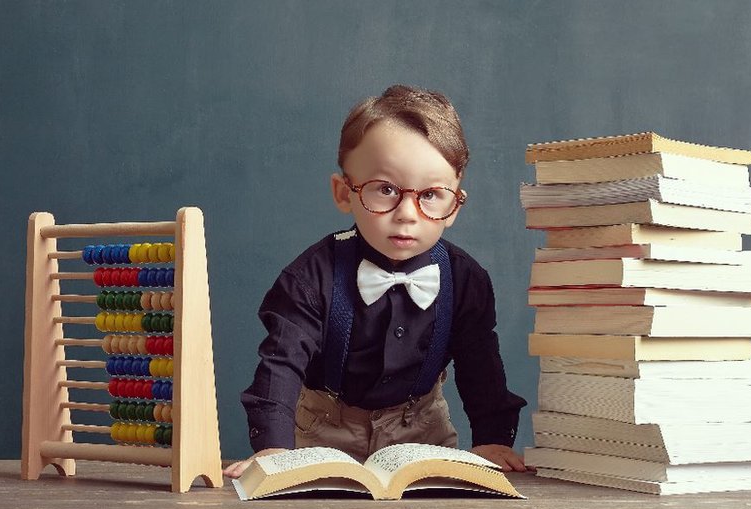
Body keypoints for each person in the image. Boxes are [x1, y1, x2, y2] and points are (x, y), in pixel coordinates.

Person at [224, 84, 529, 479]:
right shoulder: (310, 276)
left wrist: (491, 437)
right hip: (322, 428)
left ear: (455, 204)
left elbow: (480, 365)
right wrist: (273, 447)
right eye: (385, 189)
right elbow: (280, 364)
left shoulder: (465, 279)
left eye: (432, 195)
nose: (407, 213)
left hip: (422, 428)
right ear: (343, 192)